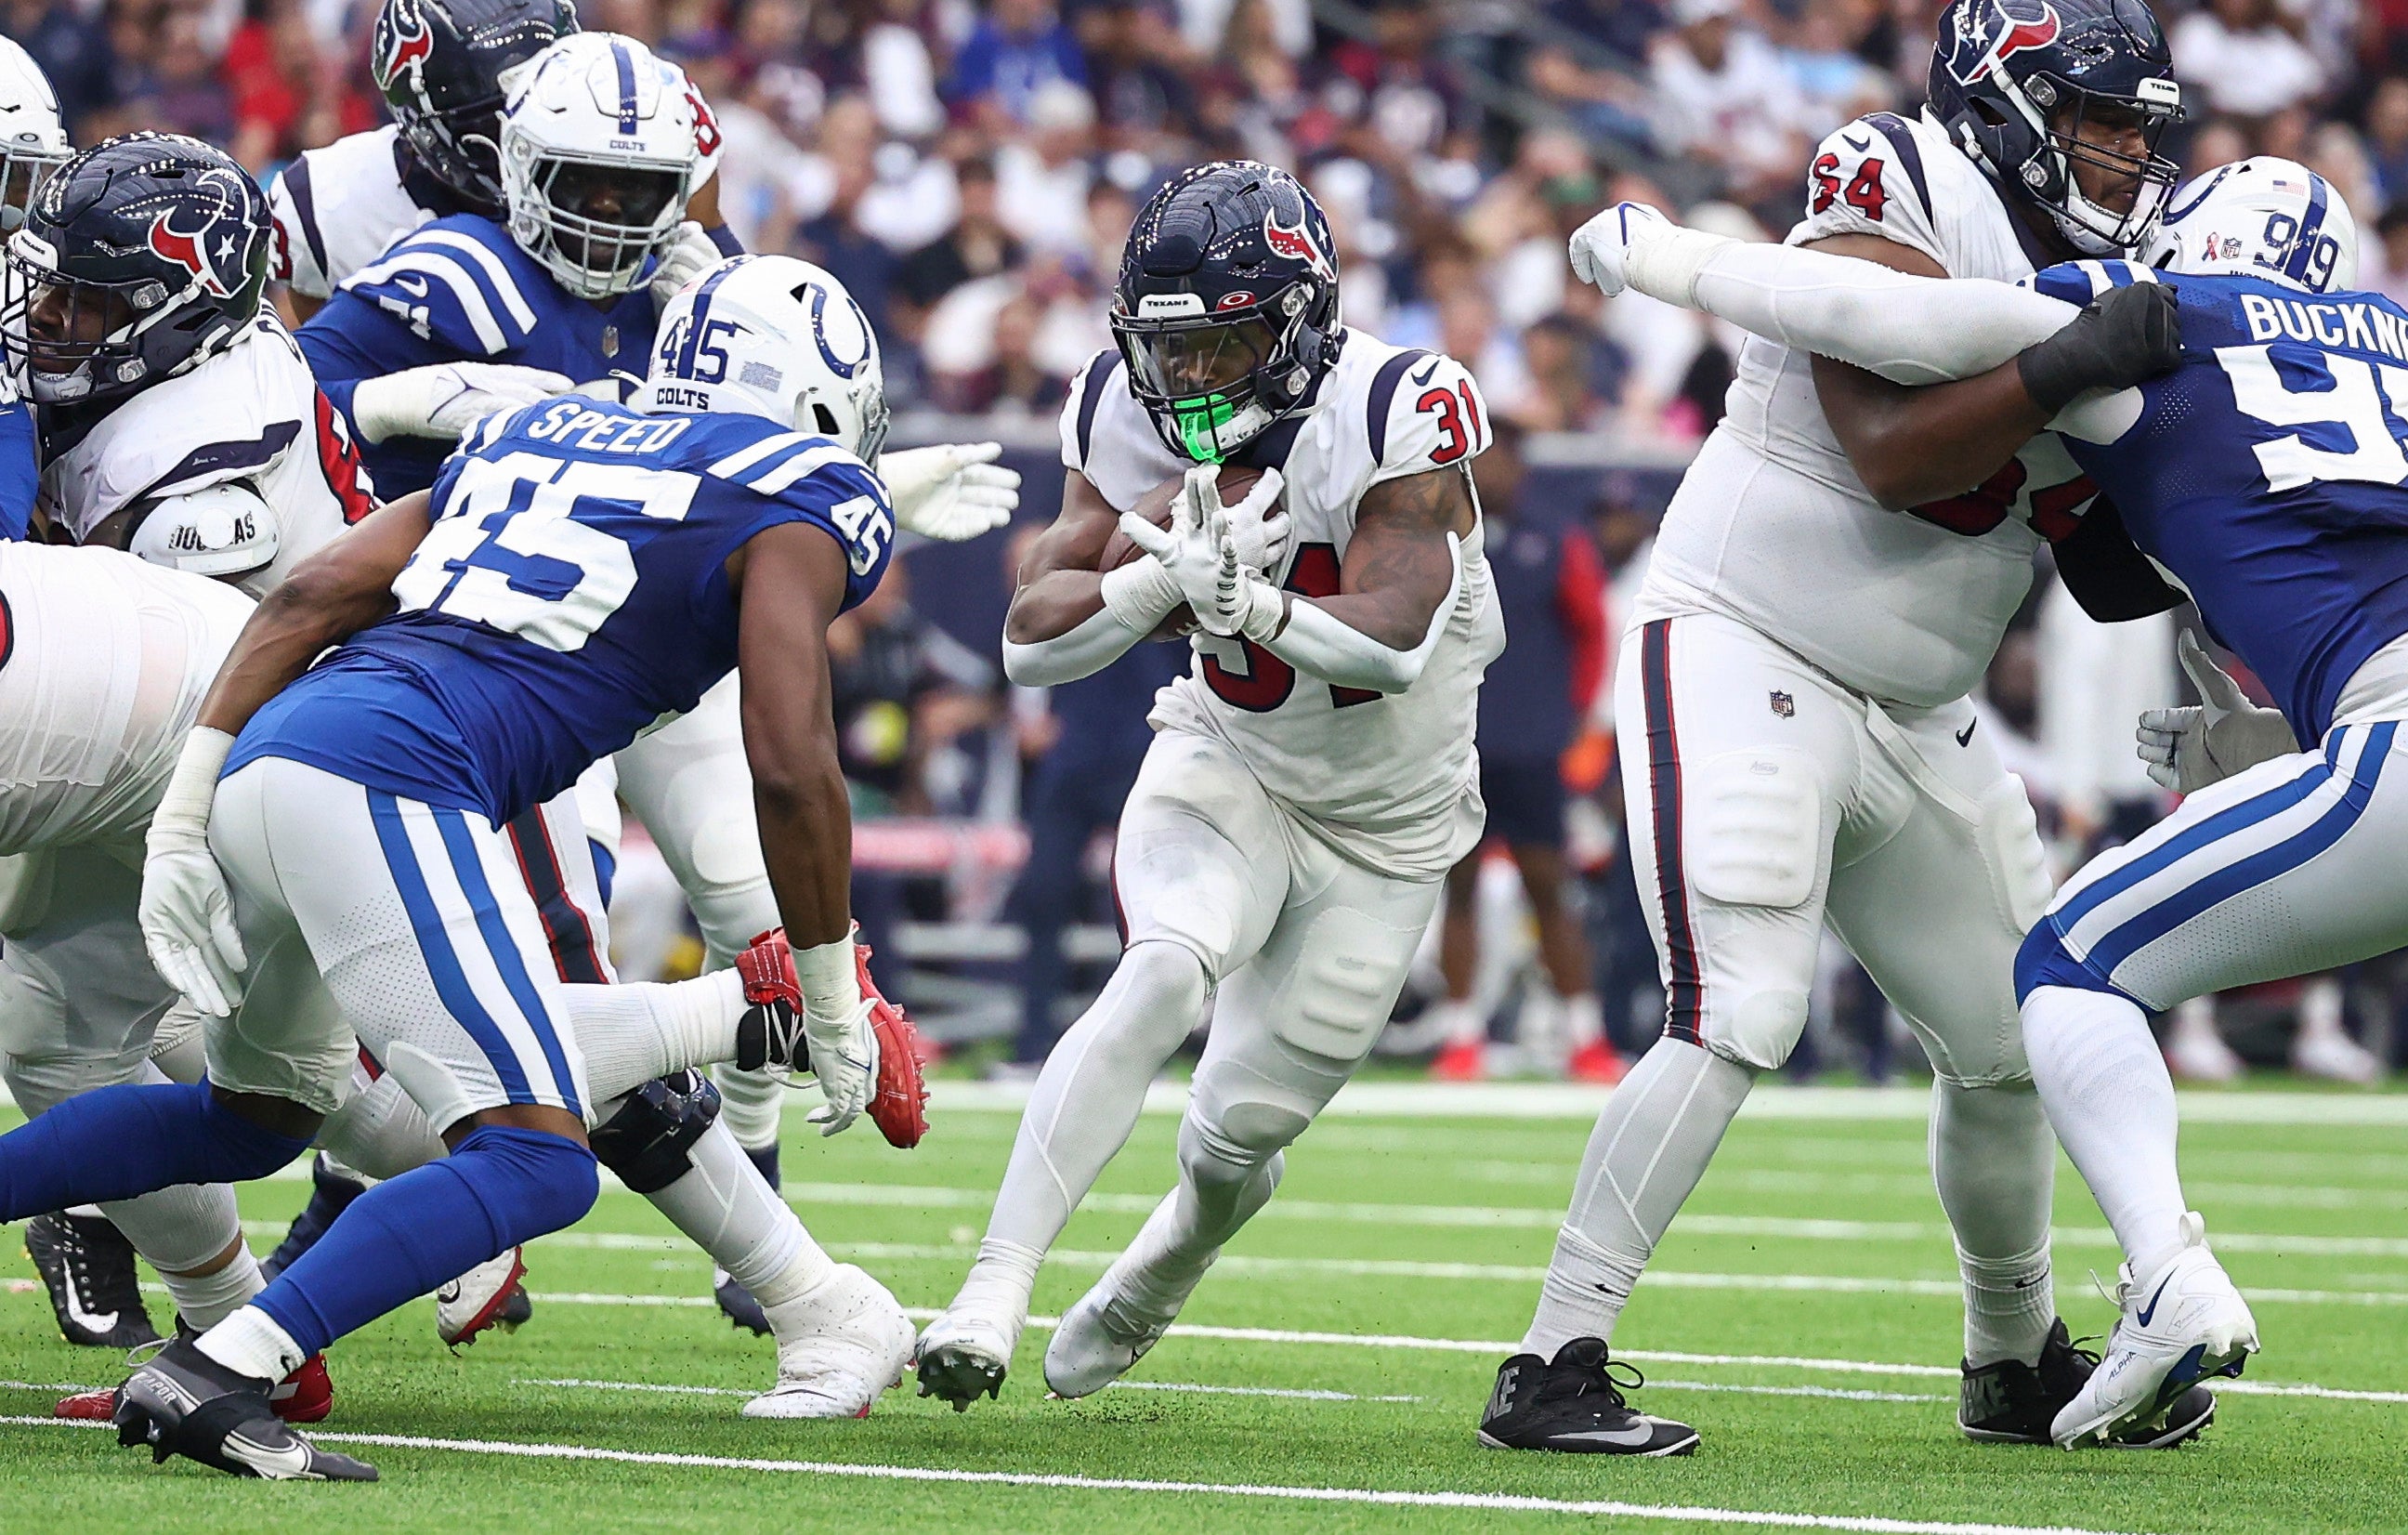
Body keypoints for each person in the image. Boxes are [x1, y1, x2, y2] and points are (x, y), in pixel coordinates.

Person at [0, 253, 926, 1480]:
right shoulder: (806, 491)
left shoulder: (552, 425)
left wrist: (184, 813)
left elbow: (314, 594)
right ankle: (224, 1369)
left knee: (258, 1116)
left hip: (272, 751)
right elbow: (795, 762)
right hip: (398, 776)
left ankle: (230, 1337)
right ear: (826, 405)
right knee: (537, 1159)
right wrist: (821, 978)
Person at [1476, 0, 2216, 1458]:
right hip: (1748, 640)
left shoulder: (2108, 266)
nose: (2130, 154)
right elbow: (1885, 447)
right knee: (1742, 1004)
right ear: (2007, 100)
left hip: (1921, 708)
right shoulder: (1895, 167)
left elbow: (2108, 567)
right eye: (2103, 117)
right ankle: (1554, 1357)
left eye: (2144, 127)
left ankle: (2012, 1358)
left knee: (2017, 1043)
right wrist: (2071, 368)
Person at [1577, 155, 2404, 1448]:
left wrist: (1659, 254)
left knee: (2069, 968)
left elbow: (1887, 324)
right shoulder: (2391, 346)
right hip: (1785, 648)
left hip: (2383, 743)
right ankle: (2007, 1356)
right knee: (1880, 1012)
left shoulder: (2162, 318)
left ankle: (2165, 1281)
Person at [277, 28, 1017, 1331]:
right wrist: (452, 425)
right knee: (557, 960)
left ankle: (761, 1216)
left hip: (665, 646)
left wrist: (874, 487)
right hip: (501, 649)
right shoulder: (449, 273)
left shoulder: (708, 282)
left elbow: (740, 470)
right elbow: (316, 419)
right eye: (592, 186)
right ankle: (388, 1205)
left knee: (749, 899)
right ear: (519, 169)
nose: (619, 218)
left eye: (642, 190)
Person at [914, 160, 1506, 1410]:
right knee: (1163, 965)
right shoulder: (1118, 412)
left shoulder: (1405, 404)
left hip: (1388, 830)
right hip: (1229, 756)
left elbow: (1399, 636)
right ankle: (991, 1287)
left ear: (1297, 327)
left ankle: (1166, 1258)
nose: (1185, 382)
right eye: (1166, 351)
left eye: (1221, 346)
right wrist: (1153, 586)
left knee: (1237, 1136)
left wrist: (1262, 606)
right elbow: (1030, 638)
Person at [1427, 419, 1621, 1082]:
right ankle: (1460, 1035)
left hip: (1535, 749)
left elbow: (1593, 631)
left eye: (1501, 459)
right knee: (1460, 889)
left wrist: (1575, 724)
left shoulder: (1556, 538)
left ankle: (1586, 1037)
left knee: (1551, 890)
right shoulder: (1443, 545)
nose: (1490, 473)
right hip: (1461, 746)